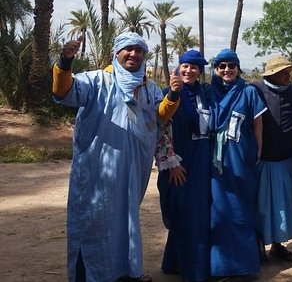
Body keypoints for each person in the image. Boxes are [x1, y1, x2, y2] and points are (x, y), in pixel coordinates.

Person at [52, 32, 181, 282]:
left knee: (125, 218)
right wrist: (65, 62)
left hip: (133, 170)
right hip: (97, 170)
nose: (133, 54)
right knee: (94, 218)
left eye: (139, 50)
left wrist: (173, 95)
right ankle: (90, 274)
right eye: (128, 49)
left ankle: (125, 272)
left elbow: (161, 116)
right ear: (117, 52)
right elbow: (64, 92)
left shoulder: (148, 87)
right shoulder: (97, 80)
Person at [207, 49, 266, 280]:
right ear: (216, 69)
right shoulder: (210, 91)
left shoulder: (249, 91)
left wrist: (258, 151)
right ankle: (221, 266)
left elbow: (258, 126)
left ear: (238, 68)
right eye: (222, 66)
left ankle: (245, 265)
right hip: (216, 163)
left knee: (241, 210)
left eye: (231, 66)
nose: (227, 70)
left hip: (241, 159)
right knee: (219, 211)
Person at [156, 49, 211, 282]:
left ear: (200, 71)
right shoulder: (167, 94)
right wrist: (171, 164)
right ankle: (193, 272)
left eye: (194, 67)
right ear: (178, 68)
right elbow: (160, 130)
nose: (189, 71)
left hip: (202, 163)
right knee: (184, 215)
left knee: (196, 215)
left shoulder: (206, 94)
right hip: (180, 165)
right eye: (185, 66)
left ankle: (173, 262)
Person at [251, 55, 292, 262]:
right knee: (261, 205)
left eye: (288, 71)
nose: (288, 75)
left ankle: (278, 245)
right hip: (262, 160)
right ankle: (259, 248)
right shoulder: (255, 89)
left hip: (286, 160)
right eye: (283, 72)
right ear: (272, 74)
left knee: (284, 205)